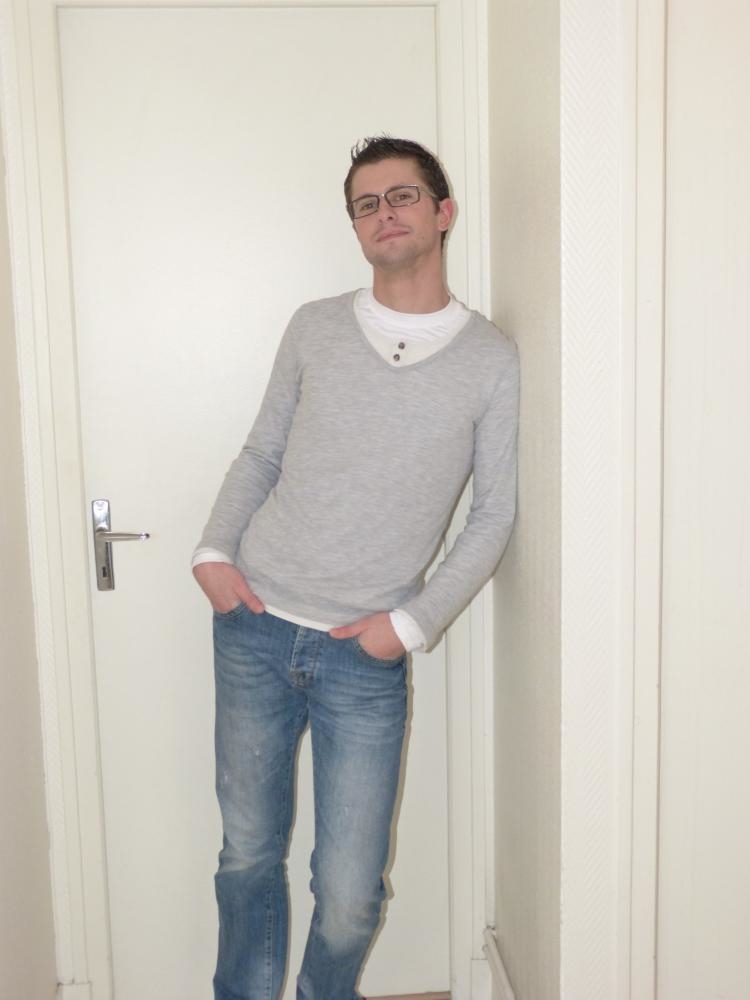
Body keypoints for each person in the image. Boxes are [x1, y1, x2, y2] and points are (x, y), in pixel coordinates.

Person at [192, 136, 519, 1000]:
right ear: (356, 226)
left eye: (402, 195)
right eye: (366, 204)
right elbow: (262, 452)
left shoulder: (490, 358)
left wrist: (410, 625)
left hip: (363, 658)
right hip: (254, 627)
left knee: (350, 893)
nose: (385, 214)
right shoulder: (315, 326)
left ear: (444, 213)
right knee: (247, 856)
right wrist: (213, 552)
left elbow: (494, 514)